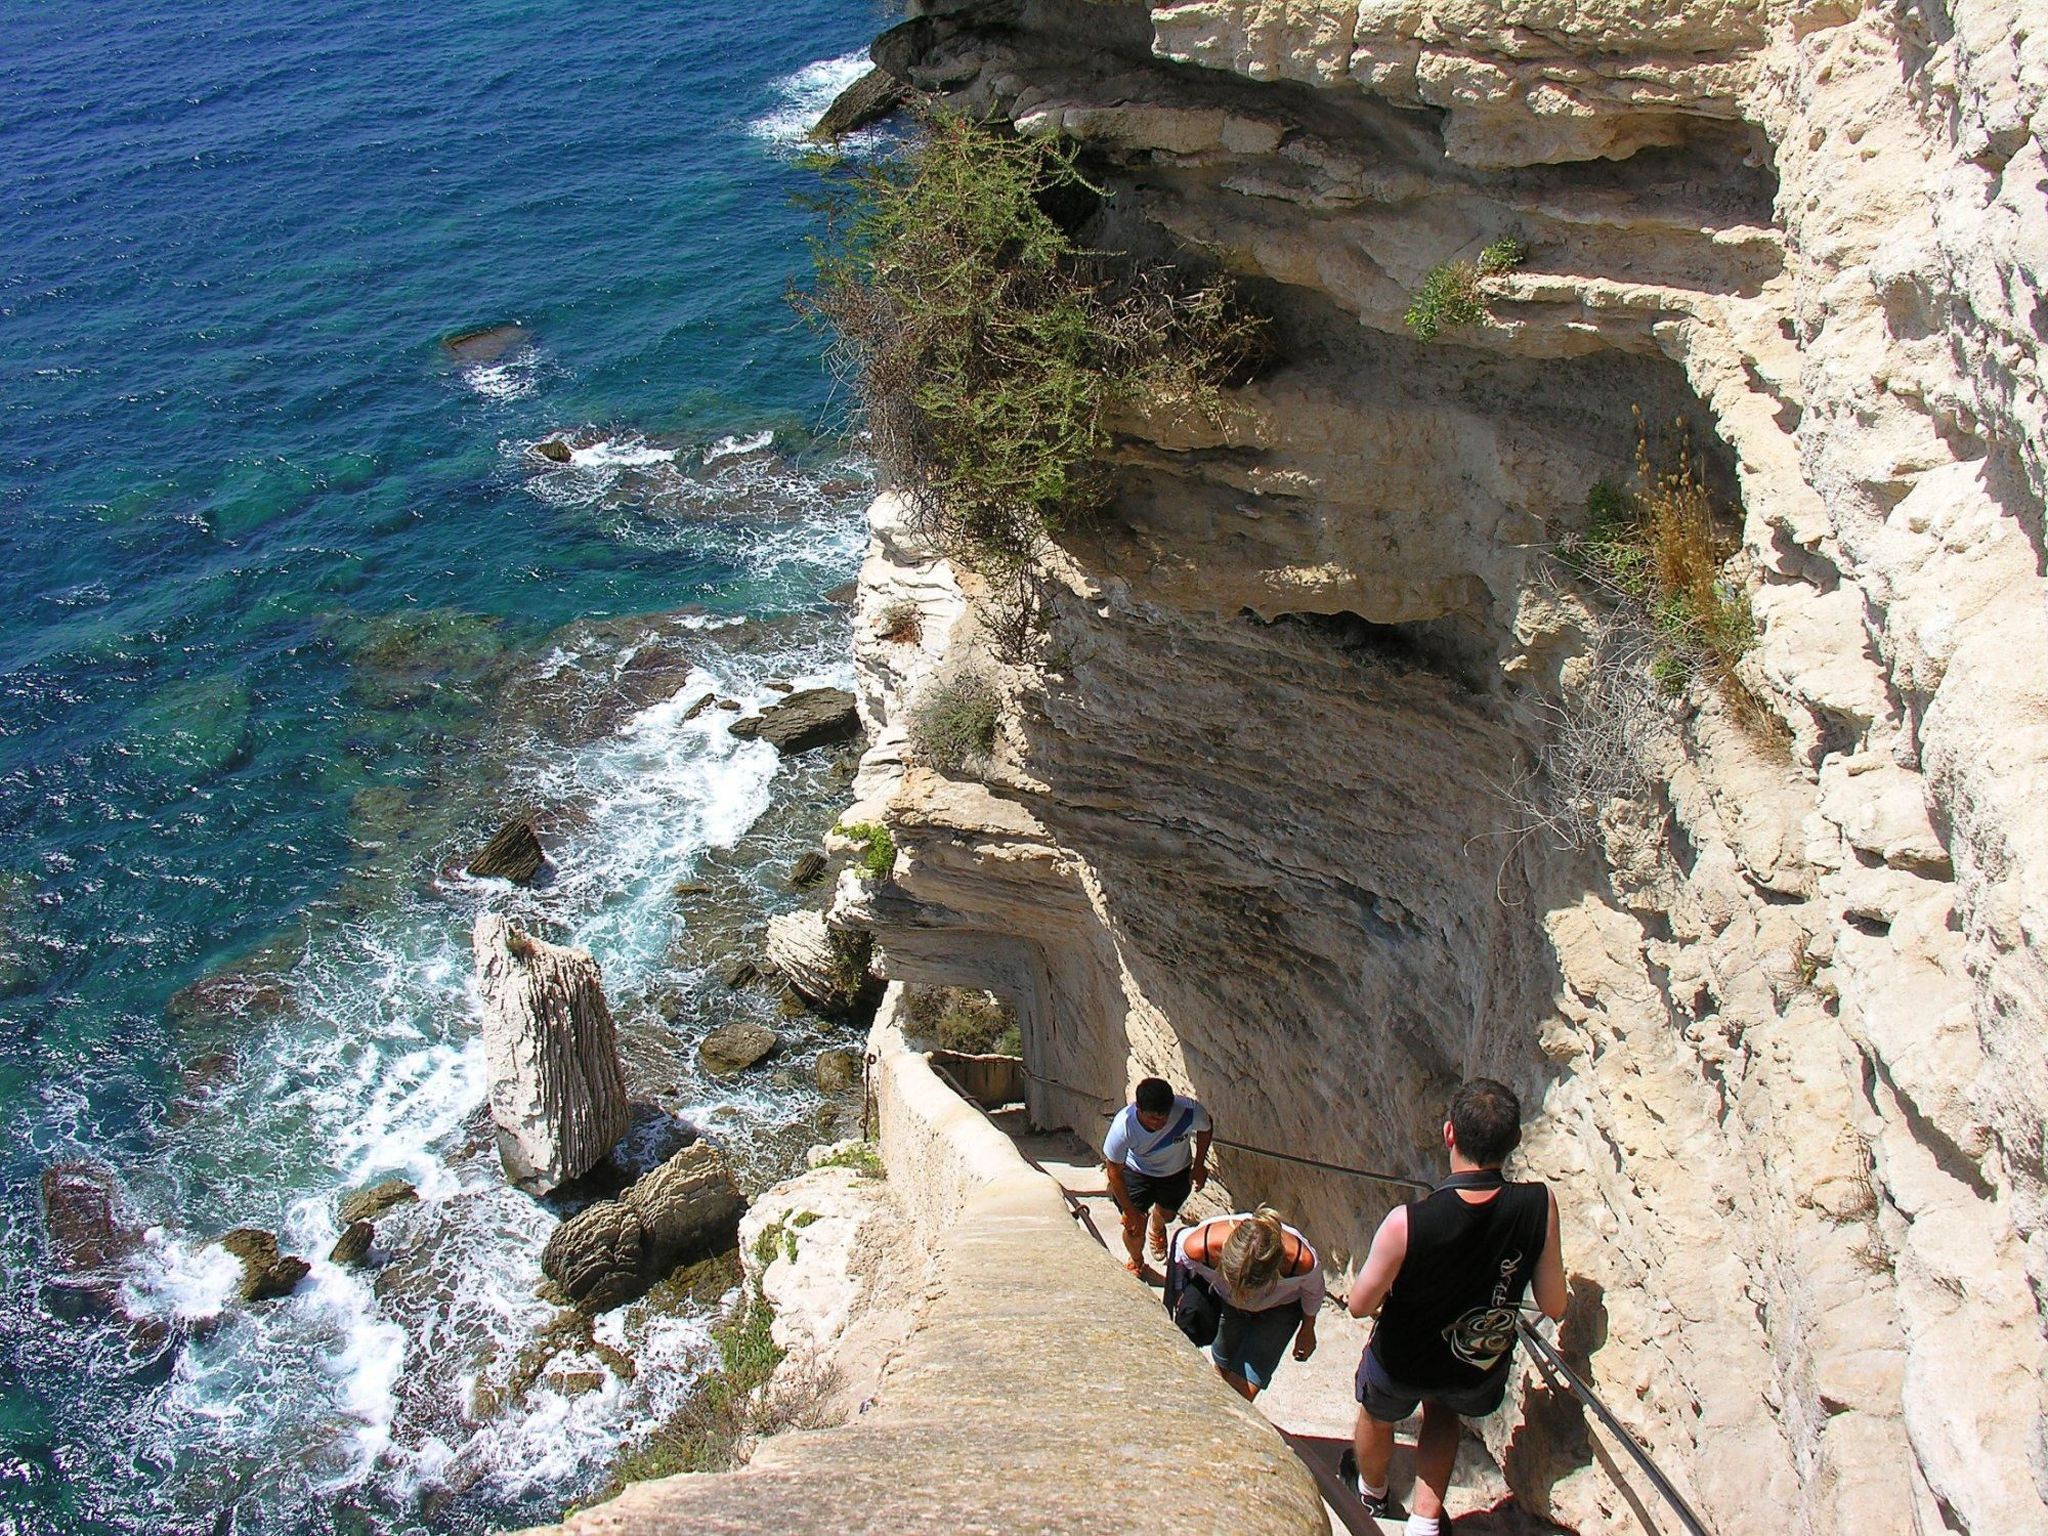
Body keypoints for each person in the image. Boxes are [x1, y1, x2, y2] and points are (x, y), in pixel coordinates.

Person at [1342, 1079, 1566, 1535]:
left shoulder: (1408, 1221)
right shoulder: (1539, 1204)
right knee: (1444, 1411)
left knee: (1376, 1413)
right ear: (1514, 1142)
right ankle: (1423, 1524)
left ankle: (1373, 1493)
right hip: (1476, 1364)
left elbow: (1359, 1306)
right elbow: (1554, 1303)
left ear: (1449, 1134)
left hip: (1403, 1357)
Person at [1174, 1206, 1322, 1400]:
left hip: (1280, 1310)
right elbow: (1180, 1272)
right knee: (1221, 1366)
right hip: (1229, 1303)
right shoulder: (1199, 1246)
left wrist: (1308, 1328)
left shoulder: (1300, 1261)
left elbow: (1313, 1292)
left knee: (1243, 1389)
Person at [1102, 1076, 1212, 1277]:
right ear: (1139, 1109)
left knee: (1167, 1215)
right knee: (1134, 1227)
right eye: (1153, 1118)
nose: (1160, 1123)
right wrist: (1129, 1210)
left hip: (1176, 1172)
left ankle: (1158, 1224)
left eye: (1164, 1117)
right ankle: (1136, 1261)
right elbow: (1114, 1171)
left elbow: (1206, 1127)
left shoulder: (1188, 1111)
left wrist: (1199, 1166)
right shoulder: (1123, 1127)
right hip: (1137, 1172)